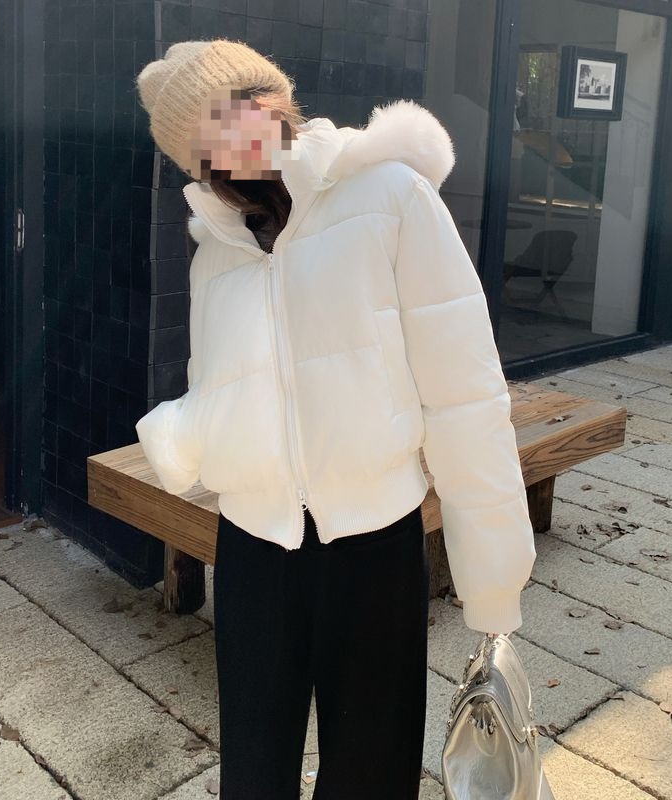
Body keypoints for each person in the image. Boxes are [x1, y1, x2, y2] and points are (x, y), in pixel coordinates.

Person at [134, 38, 536, 800]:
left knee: (371, 777)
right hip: (253, 551)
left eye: (241, 107)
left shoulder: (389, 196)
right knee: (253, 778)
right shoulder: (214, 255)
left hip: (373, 548)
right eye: (205, 140)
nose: (233, 140)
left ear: (275, 100)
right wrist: (187, 436)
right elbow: (221, 392)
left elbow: (466, 396)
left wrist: (493, 587)